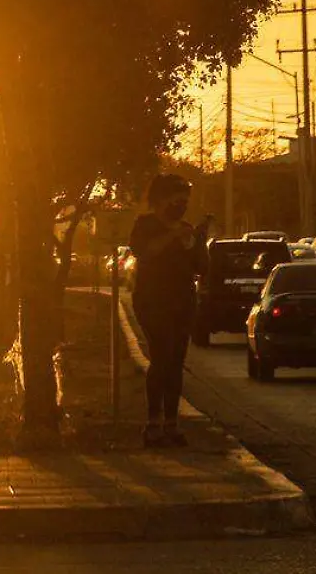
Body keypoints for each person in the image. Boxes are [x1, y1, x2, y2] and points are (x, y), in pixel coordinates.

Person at [128, 173, 207, 448]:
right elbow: (144, 252)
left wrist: (199, 241)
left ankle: (171, 424)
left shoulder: (186, 229)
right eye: (176, 200)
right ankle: (152, 424)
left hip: (182, 301)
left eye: (185, 201)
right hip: (152, 301)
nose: (181, 205)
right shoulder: (145, 225)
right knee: (161, 357)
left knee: (175, 361)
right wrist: (172, 235)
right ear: (161, 200)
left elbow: (200, 267)